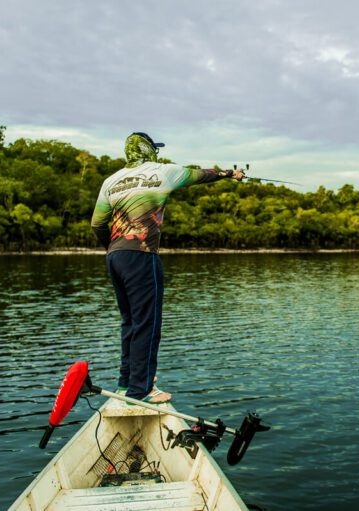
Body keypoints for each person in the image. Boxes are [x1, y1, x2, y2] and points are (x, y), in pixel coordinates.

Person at [91, 132, 244, 404]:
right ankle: (142, 390)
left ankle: (126, 383)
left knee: (130, 322)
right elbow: (201, 175)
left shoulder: (110, 181)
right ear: (149, 150)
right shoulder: (163, 172)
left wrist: (113, 247)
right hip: (142, 254)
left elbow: (97, 224)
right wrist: (230, 174)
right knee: (148, 324)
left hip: (115, 257)